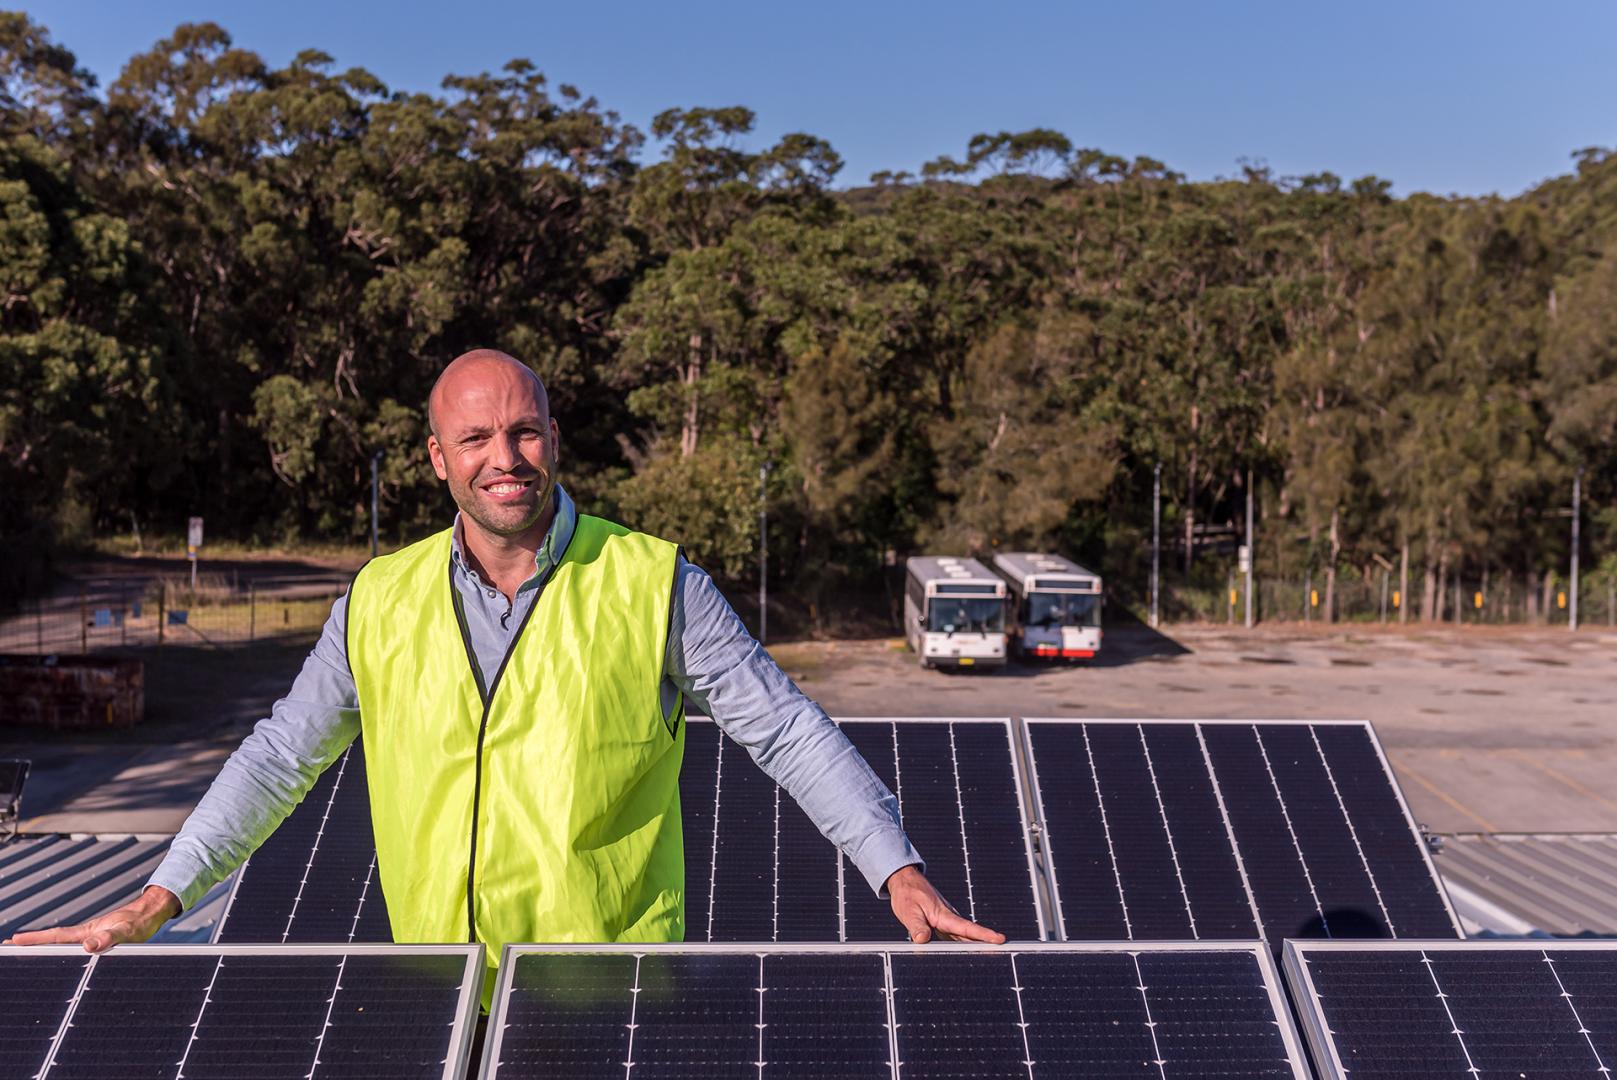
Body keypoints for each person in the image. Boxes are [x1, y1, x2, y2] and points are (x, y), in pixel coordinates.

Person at [8, 349, 1002, 985]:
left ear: (554, 441)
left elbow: (786, 729)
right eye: (475, 437)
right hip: (443, 992)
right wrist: (160, 895)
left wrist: (896, 868)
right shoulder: (376, 601)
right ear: (437, 458)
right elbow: (279, 758)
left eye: (524, 430)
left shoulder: (652, 582)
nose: (505, 456)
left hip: (609, 998)